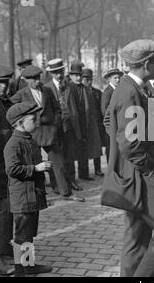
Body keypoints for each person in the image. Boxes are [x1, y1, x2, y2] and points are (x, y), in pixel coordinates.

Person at [110, 39, 154, 277]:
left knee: (137, 237)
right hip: (141, 175)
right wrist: (148, 166)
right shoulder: (130, 91)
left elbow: (114, 124)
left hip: (134, 174)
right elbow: (128, 142)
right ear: (147, 62)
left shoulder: (131, 87)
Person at [10, 65, 83, 203]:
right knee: (36, 166)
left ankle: (66, 193)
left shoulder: (47, 90)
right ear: (26, 80)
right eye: (33, 79)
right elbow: (10, 108)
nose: (37, 81)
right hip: (31, 134)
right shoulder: (21, 94)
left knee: (59, 163)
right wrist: (22, 125)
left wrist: (55, 124)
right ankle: (38, 197)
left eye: (38, 78)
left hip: (49, 132)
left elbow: (57, 109)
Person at [4, 102, 53, 277]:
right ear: (20, 123)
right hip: (22, 198)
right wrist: (36, 168)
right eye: (33, 119)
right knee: (21, 235)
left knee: (29, 233)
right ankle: (20, 271)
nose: (37, 122)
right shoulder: (13, 143)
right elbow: (12, 169)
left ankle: (28, 266)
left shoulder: (29, 140)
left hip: (32, 196)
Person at [44, 59, 84, 193]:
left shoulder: (71, 86)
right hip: (55, 127)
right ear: (51, 74)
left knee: (69, 154)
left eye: (60, 72)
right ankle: (56, 184)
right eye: (55, 73)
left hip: (70, 125)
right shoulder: (47, 88)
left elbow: (77, 106)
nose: (59, 75)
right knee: (55, 156)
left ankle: (71, 181)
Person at [0, 65, 15, 276]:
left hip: (6, 165)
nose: (3, 85)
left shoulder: (6, 103)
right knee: (0, 210)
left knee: (7, 209)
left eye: (6, 82)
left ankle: (3, 246)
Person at [68, 62, 95, 181]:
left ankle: (84, 173)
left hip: (84, 122)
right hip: (72, 124)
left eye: (80, 75)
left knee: (83, 149)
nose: (78, 78)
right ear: (70, 76)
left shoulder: (85, 88)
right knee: (71, 151)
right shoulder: (67, 88)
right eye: (75, 75)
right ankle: (71, 178)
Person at [81, 68, 104, 177]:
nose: (89, 82)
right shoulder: (79, 92)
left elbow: (101, 109)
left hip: (96, 124)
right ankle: (84, 172)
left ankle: (97, 169)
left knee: (96, 148)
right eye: (86, 79)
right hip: (84, 125)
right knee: (84, 149)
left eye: (90, 79)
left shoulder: (97, 93)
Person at [101, 68, 123, 162]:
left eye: (119, 78)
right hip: (112, 126)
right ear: (109, 79)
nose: (117, 80)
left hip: (119, 125)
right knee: (111, 148)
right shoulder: (107, 92)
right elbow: (105, 111)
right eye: (115, 78)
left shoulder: (119, 90)